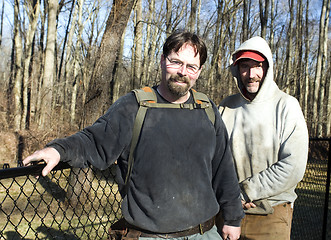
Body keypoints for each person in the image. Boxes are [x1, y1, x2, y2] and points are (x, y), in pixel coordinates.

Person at [23, 30, 244, 240]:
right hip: (150, 235)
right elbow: (94, 140)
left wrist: (233, 218)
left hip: (204, 233)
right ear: (162, 60)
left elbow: (224, 167)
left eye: (191, 66)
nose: (182, 72)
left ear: (200, 71)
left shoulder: (206, 109)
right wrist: (57, 150)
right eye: (176, 62)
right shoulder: (135, 106)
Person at [217, 36, 308, 240]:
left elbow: (293, 166)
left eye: (257, 66)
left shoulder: (286, 106)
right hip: (228, 213)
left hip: (271, 214)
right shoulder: (225, 107)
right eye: (245, 66)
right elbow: (213, 159)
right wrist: (231, 195)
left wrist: (246, 191)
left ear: (267, 68)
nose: (251, 74)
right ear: (236, 71)